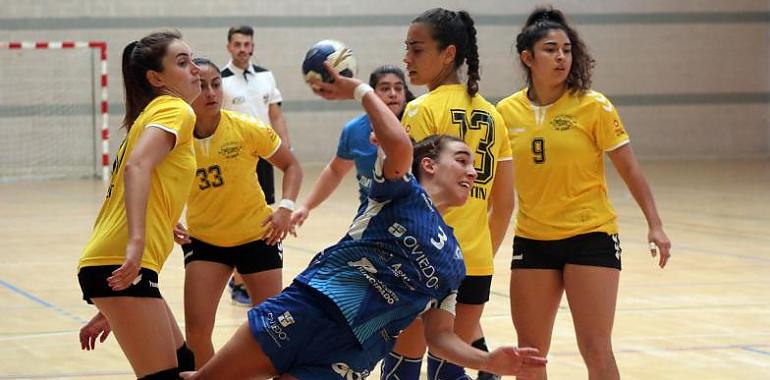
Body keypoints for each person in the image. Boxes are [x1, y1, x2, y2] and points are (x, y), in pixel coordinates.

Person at [179, 64, 546, 380]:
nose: (472, 170)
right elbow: (400, 147)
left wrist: (486, 359)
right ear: (430, 165)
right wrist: (360, 90)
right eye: (462, 159)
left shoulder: (454, 262)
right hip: (306, 311)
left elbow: (440, 336)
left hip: (347, 357)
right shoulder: (399, 193)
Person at [496, 6, 672, 379]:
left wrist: (654, 224)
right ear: (528, 57)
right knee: (529, 356)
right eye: (550, 49)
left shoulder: (593, 106)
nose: (561, 57)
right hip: (533, 239)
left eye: (566, 49)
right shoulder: (505, 113)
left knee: (595, 349)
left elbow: (629, 167)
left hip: (590, 236)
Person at [385, 8, 515, 380]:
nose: (407, 59)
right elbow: (503, 205)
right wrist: (475, 257)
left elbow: (405, 195)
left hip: (420, 260)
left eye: (417, 49)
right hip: (473, 262)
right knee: (449, 368)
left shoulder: (421, 109)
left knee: (402, 367)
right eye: (406, 49)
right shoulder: (493, 115)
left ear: (448, 54)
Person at [76, 31, 201, 379]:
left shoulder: (148, 116)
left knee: (186, 365)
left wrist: (164, 219)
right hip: (121, 259)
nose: (195, 69)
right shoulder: (175, 109)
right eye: (182, 62)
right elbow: (137, 167)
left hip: (113, 265)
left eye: (193, 59)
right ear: (156, 78)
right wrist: (136, 242)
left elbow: (143, 181)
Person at [171, 58, 302, 369]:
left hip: (258, 237)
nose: (211, 91)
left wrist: (285, 207)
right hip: (205, 242)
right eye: (202, 85)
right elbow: (153, 180)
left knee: (272, 329)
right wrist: (166, 218)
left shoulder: (247, 128)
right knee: (197, 333)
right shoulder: (174, 138)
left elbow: (291, 165)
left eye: (216, 83)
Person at [291, 65, 413, 227]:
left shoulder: (415, 123)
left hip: (409, 219)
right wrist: (306, 207)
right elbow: (335, 171)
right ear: (372, 94)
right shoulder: (354, 130)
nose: (393, 94)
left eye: (398, 88)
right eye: (385, 88)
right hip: (370, 220)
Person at [221, 25, 291, 305]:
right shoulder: (221, 80)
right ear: (229, 47)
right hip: (233, 159)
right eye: (237, 44)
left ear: (252, 46)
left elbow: (275, 113)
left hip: (264, 156)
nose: (242, 49)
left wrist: (286, 147)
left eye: (247, 44)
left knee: (262, 216)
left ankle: (249, 276)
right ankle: (238, 280)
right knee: (238, 217)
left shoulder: (265, 75)